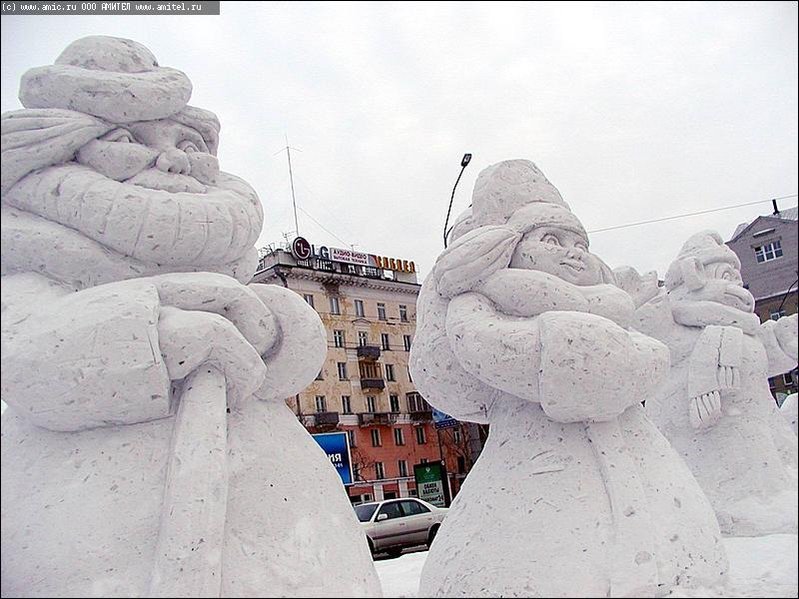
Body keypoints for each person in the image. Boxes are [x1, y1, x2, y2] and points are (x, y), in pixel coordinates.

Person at [1, 36, 381, 597]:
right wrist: (154, 336)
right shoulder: (29, 256)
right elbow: (25, 360)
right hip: (96, 524)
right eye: (126, 140)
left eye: (186, 141)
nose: (174, 160)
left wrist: (273, 327)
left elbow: (289, 360)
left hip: (284, 518)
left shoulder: (235, 270)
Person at [411, 159, 727, 598]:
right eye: (552, 240)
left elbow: (651, 359)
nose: (573, 252)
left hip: (646, 468)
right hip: (532, 471)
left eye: (580, 242)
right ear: (511, 249)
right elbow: (453, 370)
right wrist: (448, 294)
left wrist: (603, 357)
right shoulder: (480, 310)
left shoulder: (612, 307)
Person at [632, 231, 798, 536]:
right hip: (699, 441)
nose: (737, 286)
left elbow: (767, 354)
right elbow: (647, 334)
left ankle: (767, 500)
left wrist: (785, 340)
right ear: (694, 277)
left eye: (737, 277)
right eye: (725, 275)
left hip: (760, 440)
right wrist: (641, 303)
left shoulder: (747, 331)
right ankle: (731, 506)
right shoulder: (677, 324)